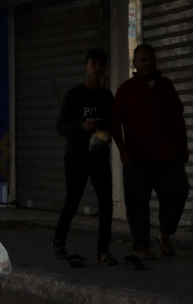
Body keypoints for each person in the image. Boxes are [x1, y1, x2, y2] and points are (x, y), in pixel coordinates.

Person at [113, 44, 190, 260]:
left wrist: (183, 148)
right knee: (137, 205)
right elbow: (114, 123)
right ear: (134, 64)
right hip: (137, 159)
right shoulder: (126, 89)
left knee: (179, 191)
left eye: (151, 59)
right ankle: (141, 247)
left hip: (169, 156)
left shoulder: (166, 86)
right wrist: (123, 151)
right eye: (143, 60)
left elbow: (178, 116)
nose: (148, 63)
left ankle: (165, 233)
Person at [53, 48, 117, 266]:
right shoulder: (74, 95)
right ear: (85, 66)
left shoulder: (106, 96)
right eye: (94, 63)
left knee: (106, 203)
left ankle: (103, 250)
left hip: (99, 156)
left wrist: (104, 132)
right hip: (76, 157)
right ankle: (59, 242)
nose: (98, 68)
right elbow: (61, 127)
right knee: (72, 200)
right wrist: (81, 126)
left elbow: (113, 125)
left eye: (102, 64)